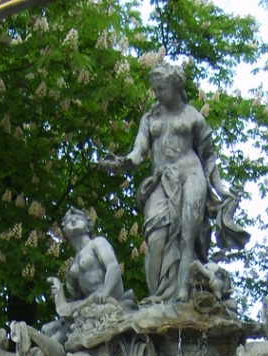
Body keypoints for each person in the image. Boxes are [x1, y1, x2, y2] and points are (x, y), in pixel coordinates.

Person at [101, 61, 248, 303]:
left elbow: (208, 155)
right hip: (162, 179)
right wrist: (121, 163)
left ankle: (182, 294)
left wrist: (220, 188)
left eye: (161, 89)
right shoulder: (150, 117)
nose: (157, 94)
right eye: (155, 90)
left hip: (191, 174)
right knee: (156, 235)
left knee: (187, 235)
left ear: (175, 86)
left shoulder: (193, 116)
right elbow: (138, 153)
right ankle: (159, 295)